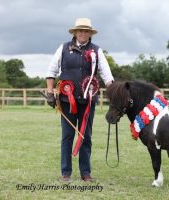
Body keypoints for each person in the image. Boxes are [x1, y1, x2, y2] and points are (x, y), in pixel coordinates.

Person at [45, 18, 114, 181]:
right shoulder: (63, 48)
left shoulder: (97, 51)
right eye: (80, 30)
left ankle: (85, 173)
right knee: (67, 136)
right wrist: (50, 92)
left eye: (86, 31)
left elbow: (107, 75)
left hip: (88, 102)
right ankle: (66, 172)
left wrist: (114, 91)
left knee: (86, 136)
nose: (83, 33)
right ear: (75, 32)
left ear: (90, 33)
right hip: (66, 101)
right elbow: (51, 71)